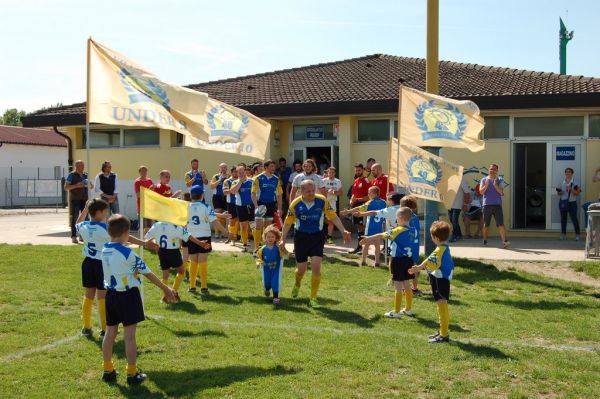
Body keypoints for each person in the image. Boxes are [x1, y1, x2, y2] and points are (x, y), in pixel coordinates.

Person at [101, 214, 176, 385]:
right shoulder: (129, 254)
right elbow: (148, 274)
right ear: (127, 232)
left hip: (111, 296)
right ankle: (132, 373)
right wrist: (166, 289)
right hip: (128, 296)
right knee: (129, 337)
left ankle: (107, 369)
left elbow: (119, 268)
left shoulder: (104, 249)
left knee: (110, 333)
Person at [77, 200, 158, 338]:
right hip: (101, 263)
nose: (107, 214)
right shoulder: (104, 228)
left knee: (88, 294)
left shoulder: (84, 226)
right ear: (99, 212)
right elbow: (126, 238)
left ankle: (86, 327)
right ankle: (104, 329)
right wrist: (143, 243)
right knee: (102, 296)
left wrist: (85, 209)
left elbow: (77, 223)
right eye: (106, 211)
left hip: (87, 263)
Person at [281, 180, 351, 308]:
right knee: (301, 270)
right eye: (308, 191)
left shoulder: (322, 200)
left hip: (317, 237)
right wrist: (282, 239)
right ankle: (297, 283)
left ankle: (313, 297)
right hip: (301, 238)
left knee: (316, 267)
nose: (311, 193)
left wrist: (343, 230)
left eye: (313, 190)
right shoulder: (295, 204)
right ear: (300, 191)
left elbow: (333, 216)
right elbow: (287, 222)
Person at [360, 207, 416, 319]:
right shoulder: (413, 230)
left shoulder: (397, 231)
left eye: (397, 219)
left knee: (398, 286)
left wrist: (367, 239)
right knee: (407, 284)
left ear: (401, 218)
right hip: (408, 260)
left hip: (398, 260)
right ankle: (408, 309)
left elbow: (381, 235)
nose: (396, 221)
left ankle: (396, 311)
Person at [409, 220, 455, 344]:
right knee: (442, 305)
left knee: (441, 305)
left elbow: (429, 261)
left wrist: (417, 268)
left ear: (435, 237)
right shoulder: (445, 247)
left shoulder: (439, 249)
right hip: (442, 280)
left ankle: (444, 335)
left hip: (440, 281)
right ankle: (442, 331)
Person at [144, 221, 210, 301]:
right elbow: (189, 236)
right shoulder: (175, 226)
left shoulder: (156, 225)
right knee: (181, 271)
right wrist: (200, 243)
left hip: (161, 251)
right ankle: (173, 292)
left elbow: (146, 238)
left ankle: (165, 296)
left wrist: (155, 245)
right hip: (173, 251)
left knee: (165, 275)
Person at [186, 185, 229, 294]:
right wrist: (226, 232)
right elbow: (215, 222)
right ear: (202, 196)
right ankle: (204, 287)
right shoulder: (205, 206)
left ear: (191, 196)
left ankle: (192, 286)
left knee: (193, 260)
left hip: (191, 237)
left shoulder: (187, 206)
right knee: (202, 261)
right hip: (204, 236)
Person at [341, 186, 386, 266]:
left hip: (370, 227)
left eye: (369, 192)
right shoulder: (384, 202)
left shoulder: (370, 202)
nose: (368, 194)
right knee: (377, 244)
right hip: (379, 227)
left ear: (375, 194)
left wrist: (348, 211)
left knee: (366, 243)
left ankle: (364, 261)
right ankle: (377, 262)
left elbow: (359, 208)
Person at [252, 160, 283, 247]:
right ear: (266, 167)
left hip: (271, 205)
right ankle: (256, 247)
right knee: (258, 226)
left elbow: (279, 195)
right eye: (271, 166)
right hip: (260, 204)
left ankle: (265, 247)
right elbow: (253, 193)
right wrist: (256, 206)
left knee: (267, 228)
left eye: (274, 166)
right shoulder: (258, 178)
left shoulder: (276, 179)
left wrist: (279, 208)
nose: (273, 168)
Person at [255, 225, 288, 306]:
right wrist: (258, 263)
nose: (270, 239)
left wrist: (284, 249)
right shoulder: (262, 249)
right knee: (267, 283)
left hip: (276, 270)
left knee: (275, 282)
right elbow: (258, 257)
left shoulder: (278, 248)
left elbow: (286, 255)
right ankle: (267, 289)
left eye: (272, 237)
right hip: (266, 270)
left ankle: (275, 298)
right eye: (268, 237)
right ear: (265, 238)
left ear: (276, 238)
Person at [480, 164, 509, 248]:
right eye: (490, 169)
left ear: (497, 171)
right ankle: (485, 240)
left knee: (501, 224)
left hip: (497, 205)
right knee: (486, 224)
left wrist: (495, 185)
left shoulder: (500, 180)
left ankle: (504, 241)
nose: (492, 170)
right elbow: (481, 192)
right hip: (487, 205)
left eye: (494, 169)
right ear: (488, 170)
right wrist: (486, 185)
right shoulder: (484, 179)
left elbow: (501, 192)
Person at [65, 160, 93, 244]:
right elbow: (66, 187)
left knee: (85, 218)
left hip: (85, 199)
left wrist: (87, 185)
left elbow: (91, 186)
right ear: (76, 166)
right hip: (75, 199)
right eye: (81, 165)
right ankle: (73, 236)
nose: (83, 167)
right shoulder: (71, 175)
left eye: (83, 165)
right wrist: (77, 185)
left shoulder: (86, 175)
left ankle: (82, 236)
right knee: (75, 217)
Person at [230, 165, 255, 252]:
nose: (240, 173)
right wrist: (240, 182)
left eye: (242, 172)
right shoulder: (235, 182)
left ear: (245, 172)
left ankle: (256, 243)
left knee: (253, 225)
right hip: (240, 206)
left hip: (251, 206)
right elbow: (233, 191)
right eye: (238, 172)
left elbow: (256, 193)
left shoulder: (252, 181)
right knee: (243, 226)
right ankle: (244, 244)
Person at [401, 195, 422, 296]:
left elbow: (405, 230)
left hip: (407, 246)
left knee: (405, 267)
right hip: (415, 246)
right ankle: (414, 288)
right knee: (413, 266)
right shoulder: (415, 217)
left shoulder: (406, 218)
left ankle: (405, 288)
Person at [348, 163, 371, 254]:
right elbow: (353, 194)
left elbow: (369, 196)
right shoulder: (356, 180)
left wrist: (357, 199)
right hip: (355, 206)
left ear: (363, 170)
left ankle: (362, 248)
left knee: (362, 227)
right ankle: (359, 247)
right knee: (358, 227)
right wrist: (351, 201)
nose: (357, 172)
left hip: (363, 206)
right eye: (356, 170)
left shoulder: (366, 180)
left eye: (359, 170)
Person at [557, 167, 582, 240]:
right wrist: (561, 192)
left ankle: (577, 235)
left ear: (572, 173)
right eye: (566, 172)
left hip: (572, 203)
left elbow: (577, 193)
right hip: (563, 202)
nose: (567, 173)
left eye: (569, 172)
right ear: (565, 173)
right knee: (563, 219)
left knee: (574, 219)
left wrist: (571, 189)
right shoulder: (562, 182)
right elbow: (558, 192)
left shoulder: (575, 183)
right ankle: (563, 234)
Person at [322, 167, 343, 244]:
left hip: (332, 203)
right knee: (321, 219)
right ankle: (321, 236)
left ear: (335, 173)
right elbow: (318, 191)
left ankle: (329, 237)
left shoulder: (338, 181)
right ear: (327, 173)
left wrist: (334, 192)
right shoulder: (323, 181)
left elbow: (341, 193)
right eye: (329, 172)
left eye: (332, 173)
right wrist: (326, 191)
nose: (331, 174)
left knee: (331, 221)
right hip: (323, 202)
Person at [448, 175, 470, 242]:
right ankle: (459, 234)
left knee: (454, 220)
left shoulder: (462, 179)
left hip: (458, 204)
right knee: (451, 219)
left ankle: (455, 235)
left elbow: (467, 193)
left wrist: (465, 204)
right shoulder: (449, 178)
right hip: (450, 204)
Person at [210, 163, 229, 237]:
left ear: (227, 169)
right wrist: (220, 180)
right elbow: (211, 186)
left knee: (226, 214)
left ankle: (225, 232)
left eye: (225, 167)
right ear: (219, 169)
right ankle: (217, 233)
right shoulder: (216, 176)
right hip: (217, 197)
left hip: (226, 197)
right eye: (222, 168)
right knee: (217, 214)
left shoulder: (229, 177)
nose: (223, 169)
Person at [223, 167, 239, 245]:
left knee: (240, 221)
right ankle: (231, 238)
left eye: (237, 172)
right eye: (235, 172)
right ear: (232, 172)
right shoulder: (227, 181)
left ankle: (240, 238)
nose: (236, 173)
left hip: (240, 203)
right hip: (231, 203)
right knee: (232, 220)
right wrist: (233, 190)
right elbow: (225, 192)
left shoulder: (241, 180)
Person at [133, 166, 153, 231]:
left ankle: (148, 240)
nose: (144, 172)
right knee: (142, 226)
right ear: (139, 172)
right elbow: (138, 195)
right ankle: (140, 240)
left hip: (149, 206)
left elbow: (152, 193)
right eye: (143, 171)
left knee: (149, 226)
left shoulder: (150, 181)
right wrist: (148, 190)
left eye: (145, 171)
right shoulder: (137, 182)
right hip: (141, 206)